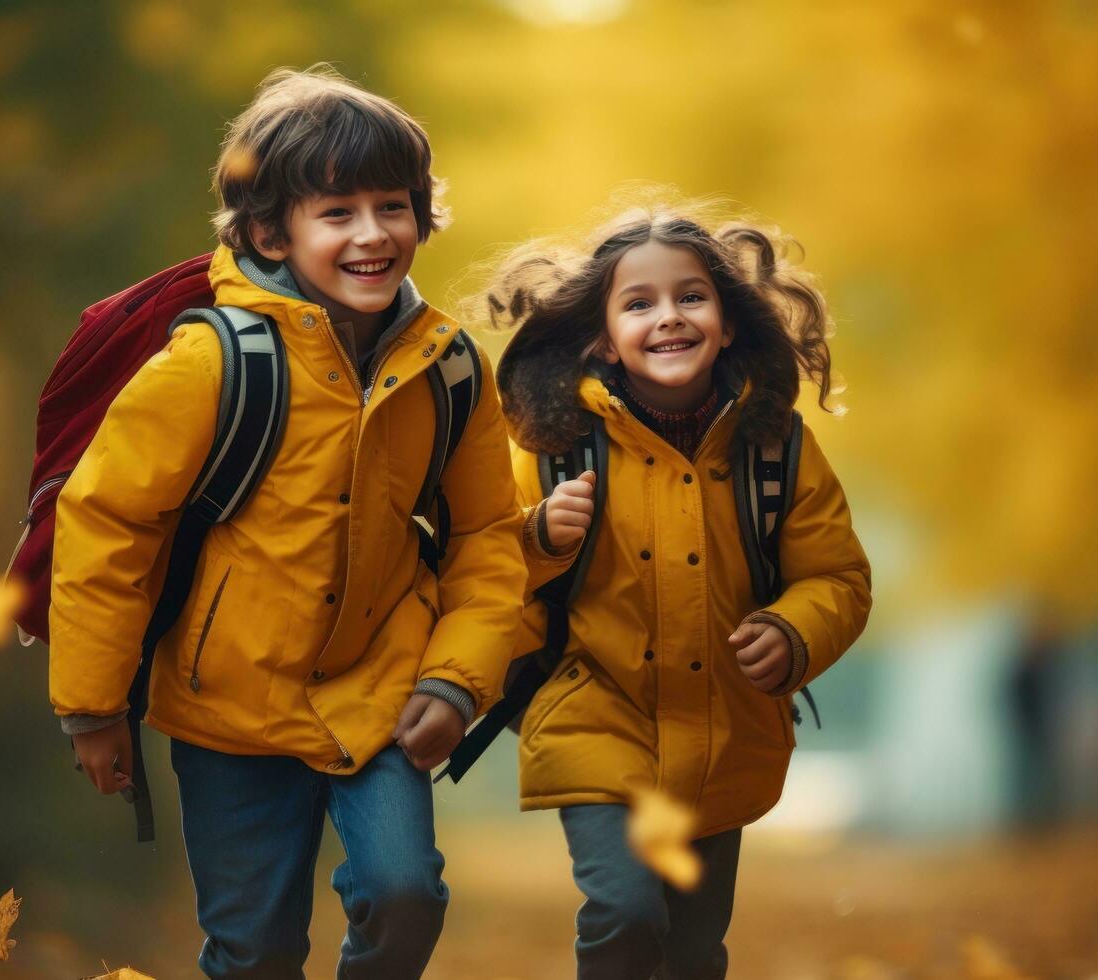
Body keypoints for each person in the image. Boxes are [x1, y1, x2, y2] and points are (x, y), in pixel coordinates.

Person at [48, 66, 525, 979]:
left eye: (393, 206)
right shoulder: (209, 363)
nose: (373, 234)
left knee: (404, 894)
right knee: (253, 949)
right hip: (229, 709)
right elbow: (109, 526)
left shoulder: (451, 367)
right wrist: (92, 706)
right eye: (337, 211)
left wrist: (460, 679)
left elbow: (484, 538)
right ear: (271, 229)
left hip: (382, 691)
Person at [483, 195, 873, 979]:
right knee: (624, 913)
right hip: (592, 718)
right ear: (603, 336)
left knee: (693, 952)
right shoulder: (552, 447)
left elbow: (836, 576)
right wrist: (537, 538)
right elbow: (483, 571)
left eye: (690, 297)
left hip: (724, 731)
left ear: (727, 323)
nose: (668, 317)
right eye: (639, 302)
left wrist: (795, 630)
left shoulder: (773, 447)